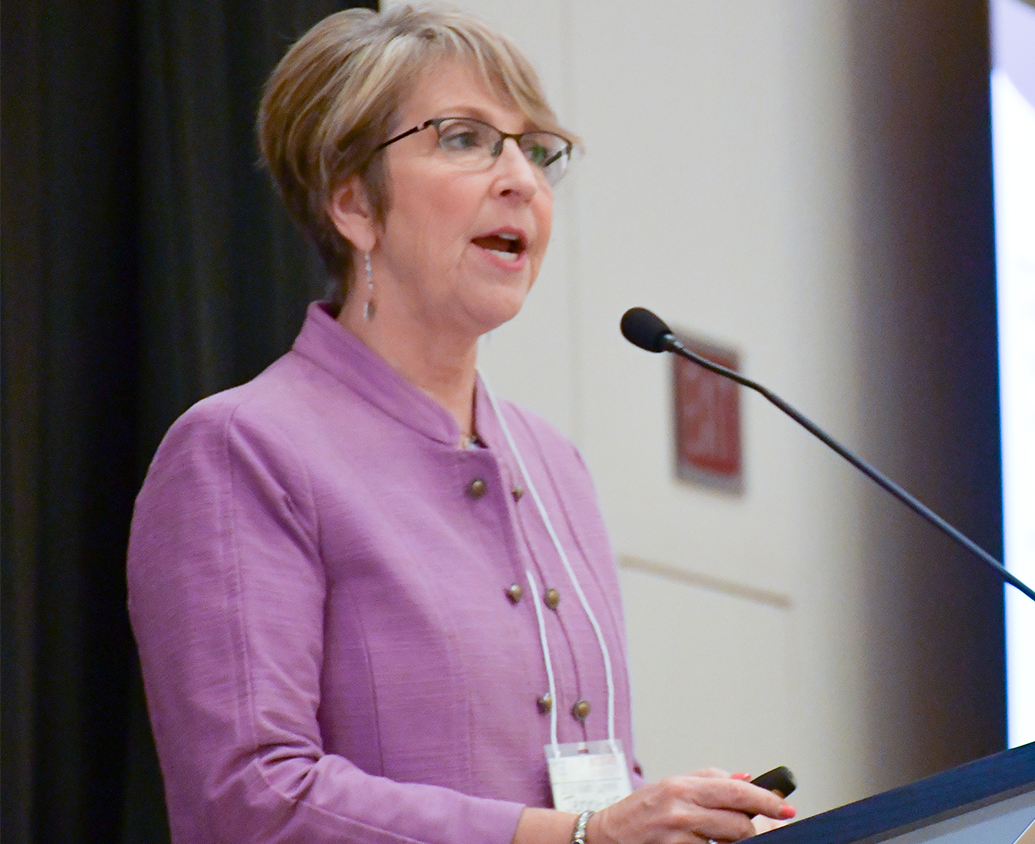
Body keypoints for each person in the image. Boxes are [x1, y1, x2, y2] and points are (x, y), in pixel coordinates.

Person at [126, 5, 795, 843]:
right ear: (352, 203)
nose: (521, 177)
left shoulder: (555, 462)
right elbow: (252, 804)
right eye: (465, 139)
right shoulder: (242, 450)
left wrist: (669, 822)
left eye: (534, 148)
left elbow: (588, 789)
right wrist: (584, 837)